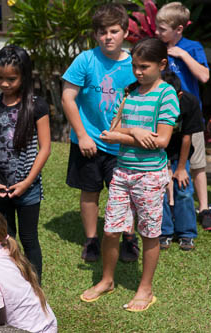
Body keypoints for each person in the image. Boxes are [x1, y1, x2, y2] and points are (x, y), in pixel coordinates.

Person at [80, 38, 180, 312]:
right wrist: (135, 131)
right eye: (134, 66)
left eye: (143, 67)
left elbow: (161, 141)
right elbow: (110, 132)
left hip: (150, 176)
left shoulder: (166, 95)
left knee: (149, 233)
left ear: (161, 64)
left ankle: (145, 289)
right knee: (111, 230)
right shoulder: (128, 93)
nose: (137, 72)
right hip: (122, 172)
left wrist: (123, 133)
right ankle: (107, 280)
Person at [61, 3, 137, 262]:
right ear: (95, 35)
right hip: (89, 140)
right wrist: (82, 135)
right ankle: (92, 240)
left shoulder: (135, 65)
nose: (108, 37)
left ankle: (129, 238)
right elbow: (68, 98)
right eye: (102, 32)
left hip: (123, 143)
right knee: (90, 191)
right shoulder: (86, 60)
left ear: (125, 32)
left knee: (125, 193)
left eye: (114, 31)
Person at [0, 45, 51, 282]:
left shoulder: (36, 105)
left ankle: (35, 285)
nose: (5, 84)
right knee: (4, 237)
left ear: (24, 76)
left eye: (11, 79)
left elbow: (45, 148)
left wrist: (27, 182)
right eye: (0, 78)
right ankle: (10, 281)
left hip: (28, 189)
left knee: (29, 239)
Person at [155, 2, 211, 230]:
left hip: (190, 115)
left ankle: (204, 208)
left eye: (162, 29)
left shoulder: (193, 47)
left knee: (196, 165)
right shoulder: (157, 48)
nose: (157, 33)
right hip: (164, 116)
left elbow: (204, 76)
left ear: (178, 29)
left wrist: (182, 55)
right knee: (167, 162)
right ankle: (169, 206)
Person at [160, 71, 204, 250]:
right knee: (159, 189)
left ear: (178, 95)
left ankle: (186, 233)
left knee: (183, 188)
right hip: (156, 151)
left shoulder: (189, 102)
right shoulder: (152, 100)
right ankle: (163, 231)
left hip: (180, 150)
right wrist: (163, 166)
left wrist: (180, 168)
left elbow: (187, 137)